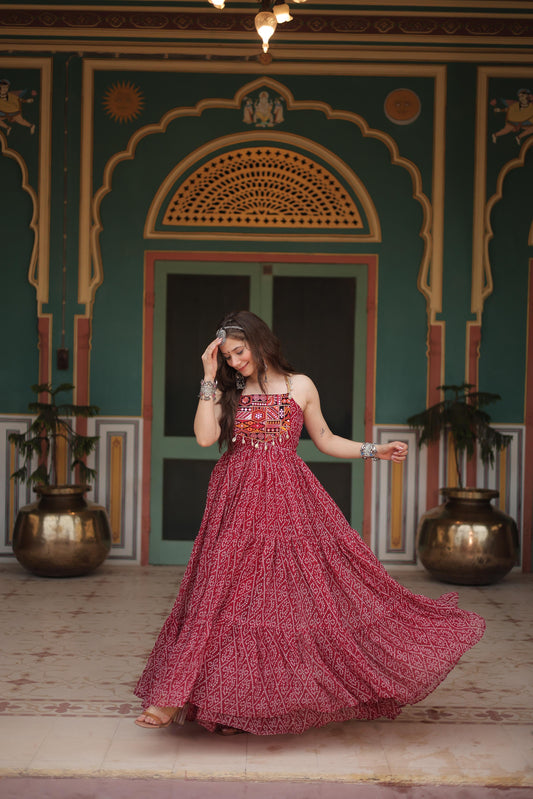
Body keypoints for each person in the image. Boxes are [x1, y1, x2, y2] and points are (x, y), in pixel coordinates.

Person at [134, 311, 485, 736]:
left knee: (273, 599)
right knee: (218, 592)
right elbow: (206, 438)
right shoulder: (230, 389)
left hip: (286, 498)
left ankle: (253, 702)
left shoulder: (300, 386)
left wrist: (376, 450)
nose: (234, 362)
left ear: (260, 343)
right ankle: (177, 697)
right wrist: (209, 376)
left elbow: (325, 439)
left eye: (239, 352)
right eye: (227, 356)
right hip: (236, 498)